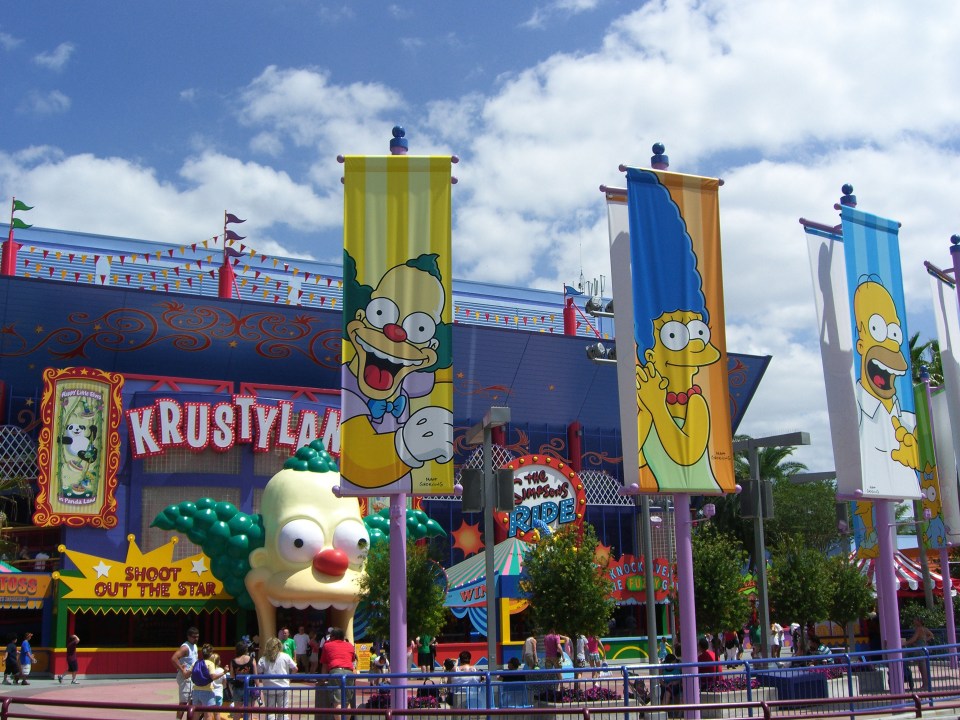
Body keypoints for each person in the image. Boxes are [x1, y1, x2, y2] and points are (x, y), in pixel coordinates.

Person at [318, 626, 357, 713]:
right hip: (349, 673)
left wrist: (323, 679)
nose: (329, 638)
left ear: (334, 637)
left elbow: (324, 664)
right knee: (347, 702)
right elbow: (352, 661)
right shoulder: (350, 646)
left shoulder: (327, 645)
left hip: (336, 672)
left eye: (330, 636)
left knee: (337, 701)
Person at [258, 636, 297, 720]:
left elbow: (259, 672)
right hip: (283, 686)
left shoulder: (263, 659)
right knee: (283, 713)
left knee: (269, 713)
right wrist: (289, 678)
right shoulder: (285, 656)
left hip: (268, 688)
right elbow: (295, 668)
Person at [171, 626, 200, 719]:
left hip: (192, 677)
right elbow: (173, 658)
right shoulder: (185, 647)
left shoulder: (194, 646)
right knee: (184, 702)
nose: (196, 639)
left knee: (192, 701)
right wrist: (182, 669)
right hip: (185, 678)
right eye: (194, 637)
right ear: (188, 636)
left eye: (197, 636)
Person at [191, 643, 227, 712]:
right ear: (210, 653)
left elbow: (186, 675)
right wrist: (224, 672)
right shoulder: (210, 663)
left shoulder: (196, 662)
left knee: (196, 713)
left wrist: (182, 669)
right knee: (208, 714)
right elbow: (213, 677)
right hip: (207, 691)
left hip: (195, 691)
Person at [904, 617, 935, 691]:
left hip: (920, 649)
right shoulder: (924, 629)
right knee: (922, 666)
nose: (914, 621)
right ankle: (926, 684)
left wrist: (905, 643)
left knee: (922, 667)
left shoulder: (919, 629)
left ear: (919, 621)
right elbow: (931, 635)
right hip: (923, 648)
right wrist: (925, 640)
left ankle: (925, 684)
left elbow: (914, 639)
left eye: (915, 620)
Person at [229, 640, 258, 709]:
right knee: (249, 712)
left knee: (237, 712)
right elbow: (255, 675)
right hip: (250, 687)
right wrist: (258, 687)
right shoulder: (251, 659)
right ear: (246, 650)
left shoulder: (233, 661)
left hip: (237, 687)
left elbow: (232, 676)